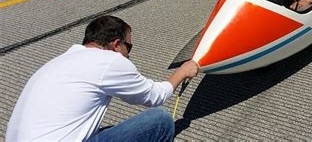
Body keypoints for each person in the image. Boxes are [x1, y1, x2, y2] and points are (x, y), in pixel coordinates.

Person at [6, 15, 199, 141]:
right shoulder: (109, 61)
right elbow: (155, 96)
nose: (129, 55)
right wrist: (182, 72)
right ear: (116, 45)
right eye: (128, 48)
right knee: (161, 120)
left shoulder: (62, 60)